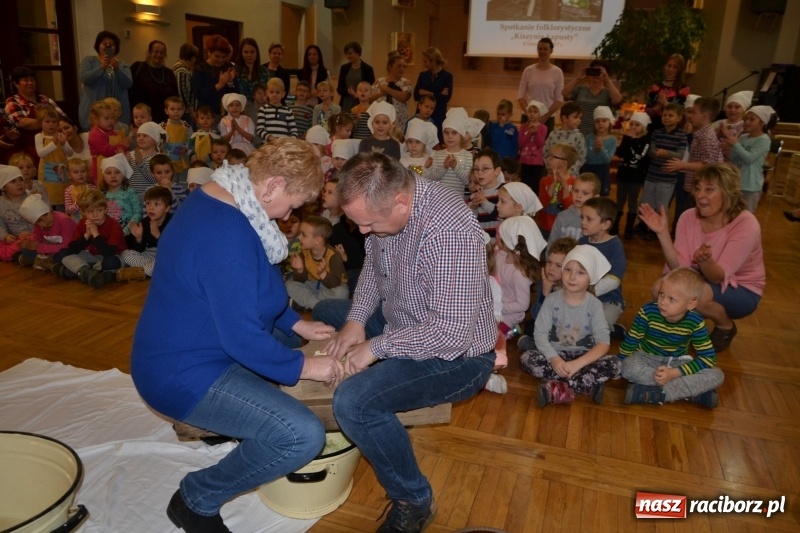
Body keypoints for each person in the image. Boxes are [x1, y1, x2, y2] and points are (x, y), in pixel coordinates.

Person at [130, 139, 341, 533]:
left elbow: (255, 289)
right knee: (301, 436)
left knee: (291, 348)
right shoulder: (228, 235)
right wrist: (309, 366)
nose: (290, 215)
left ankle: (231, 422)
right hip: (182, 372)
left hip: (199, 345)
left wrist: (295, 323)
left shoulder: (226, 196)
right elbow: (243, 338)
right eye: (292, 204)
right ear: (273, 185)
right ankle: (196, 498)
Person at [311, 152, 496, 532]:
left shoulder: (450, 234)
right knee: (330, 311)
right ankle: (382, 373)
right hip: (406, 321)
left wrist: (375, 348)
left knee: (354, 403)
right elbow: (374, 272)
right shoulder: (390, 211)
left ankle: (413, 499)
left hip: (458, 356)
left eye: (369, 224)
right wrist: (356, 321)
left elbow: (448, 334)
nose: (362, 233)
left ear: (400, 202)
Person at [639, 163, 765, 352]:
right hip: (701, 280)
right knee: (660, 289)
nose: (700, 195)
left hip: (742, 288)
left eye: (709, 189)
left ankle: (725, 327)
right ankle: (685, 327)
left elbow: (717, 277)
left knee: (697, 295)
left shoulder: (746, 223)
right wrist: (663, 233)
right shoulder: (688, 217)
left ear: (728, 192)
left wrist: (705, 261)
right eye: (697, 188)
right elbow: (679, 269)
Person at [520, 245, 620, 406]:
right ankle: (587, 385)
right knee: (527, 358)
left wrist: (577, 364)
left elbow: (603, 343)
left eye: (581, 272)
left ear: (591, 278)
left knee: (615, 363)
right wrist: (554, 360)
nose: (572, 277)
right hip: (556, 354)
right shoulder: (552, 299)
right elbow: (540, 334)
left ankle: (558, 388)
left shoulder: (594, 304)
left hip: (583, 358)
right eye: (568, 270)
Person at [619, 267, 724, 408]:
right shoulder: (648, 311)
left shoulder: (695, 322)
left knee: (717, 375)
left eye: (671, 299)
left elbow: (708, 358)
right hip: (645, 358)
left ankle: (654, 394)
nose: (662, 302)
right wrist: (618, 362)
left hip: (676, 363)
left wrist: (674, 373)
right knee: (628, 366)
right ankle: (692, 394)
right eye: (661, 294)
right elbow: (632, 340)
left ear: (690, 304)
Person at [51, 188, 126, 288]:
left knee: (110, 262)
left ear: (106, 209)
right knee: (63, 253)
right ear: (83, 213)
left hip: (113, 256)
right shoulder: (83, 223)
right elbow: (72, 249)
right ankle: (86, 271)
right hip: (92, 256)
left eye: (99, 210)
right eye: (90, 211)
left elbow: (109, 253)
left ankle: (78, 270)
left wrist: (95, 234)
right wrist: (86, 235)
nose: (95, 215)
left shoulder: (113, 225)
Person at [663, 97, 723, 219]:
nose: (690, 115)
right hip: (694, 186)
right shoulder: (700, 134)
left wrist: (683, 165)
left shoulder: (707, 137)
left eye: (694, 112)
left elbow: (708, 165)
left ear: (704, 116)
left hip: (701, 188)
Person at [579, 197, 628, 338]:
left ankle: (612, 329)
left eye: (589, 219)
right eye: (582, 217)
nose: (583, 222)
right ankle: (613, 331)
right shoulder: (581, 242)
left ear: (605, 224)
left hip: (609, 301)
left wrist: (587, 291)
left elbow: (614, 279)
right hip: (582, 298)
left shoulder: (615, 246)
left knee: (599, 326)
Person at [517, 236, 579, 346]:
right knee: (530, 325)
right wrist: (545, 294)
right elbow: (536, 315)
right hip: (549, 329)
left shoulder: (575, 286)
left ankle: (540, 346)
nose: (551, 268)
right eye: (549, 262)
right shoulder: (545, 282)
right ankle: (546, 347)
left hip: (569, 331)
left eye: (558, 265)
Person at [5, 66, 67, 166]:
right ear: (16, 84)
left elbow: (63, 118)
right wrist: (53, 122)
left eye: (32, 79)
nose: (30, 83)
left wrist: (54, 123)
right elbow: (23, 123)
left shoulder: (45, 99)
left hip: (56, 146)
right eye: (25, 80)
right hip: (29, 150)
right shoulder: (12, 101)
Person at [495, 216, 545, 338]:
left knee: (491, 339)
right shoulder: (501, 254)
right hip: (496, 305)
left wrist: (499, 307)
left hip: (510, 314)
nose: (496, 236)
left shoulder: (519, 273)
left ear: (509, 242)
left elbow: (522, 305)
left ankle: (513, 331)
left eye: (500, 235)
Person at [285, 215, 349, 310]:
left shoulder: (333, 256)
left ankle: (309, 303)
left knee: (342, 292)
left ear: (317, 241)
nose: (299, 237)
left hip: (329, 288)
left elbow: (336, 283)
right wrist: (300, 270)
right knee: (289, 285)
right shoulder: (303, 252)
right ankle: (319, 305)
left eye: (303, 235)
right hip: (311, 285)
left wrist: (323, 274)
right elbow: (300, 280)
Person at [78, 31, 133, 131]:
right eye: (104, 44)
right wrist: (102, 67)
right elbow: (84, 78)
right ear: (98, 46)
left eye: (111, 45)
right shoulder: (89, 61)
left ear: (116, 48)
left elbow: (128, 83)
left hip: (117, 114)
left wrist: (117, 70)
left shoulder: (122, 64)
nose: (108, 46)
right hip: (95, 107)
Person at [726, 105, 776, 213]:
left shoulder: (764, 140)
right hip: (736, 183)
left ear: (762, 122)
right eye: (745, 119)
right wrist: (732, 145)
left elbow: (749, 158)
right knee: (731, 213)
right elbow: (733, 158)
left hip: (750, 186)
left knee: (745, 216)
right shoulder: (743, 137)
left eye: (752, 119)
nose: (747, 122)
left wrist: (735, 145)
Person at [119, 185, 172, 280]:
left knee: (168, 260)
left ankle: (140, 271)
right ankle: (146, 270)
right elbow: (139, 250)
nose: (151, 208)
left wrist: (158, 235)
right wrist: (138, 239)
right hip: (149, 256)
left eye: (156, 204)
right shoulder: (144, 222)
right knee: (125, 254)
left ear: (167, 208)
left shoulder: (173, 222)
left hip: (165, 254)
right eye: (148, 204)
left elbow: (173, 248)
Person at [615, 111, 652, 238]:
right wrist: (627, 139)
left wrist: (632, 141)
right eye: (632, 124)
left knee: (632, 202)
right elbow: (620, 153)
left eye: (637, 125)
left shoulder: (646, 141)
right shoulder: (627, 138)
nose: (634, 127)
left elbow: (640, 156)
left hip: (636, 178)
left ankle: (629, 228)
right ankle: (615, 225)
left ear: (644, 127)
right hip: (623, 175)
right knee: (619, 201)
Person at [562, 59, 622, 138]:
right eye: (593, 71)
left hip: (598, 135)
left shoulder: (607, 92)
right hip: (578, 133)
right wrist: (578, 78)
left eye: (599, 72)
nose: (596, 75)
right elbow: (565, 93)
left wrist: (607, 80)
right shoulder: (580, 89)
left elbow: (617, 100)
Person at [16, 193, 76, 269]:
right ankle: (47, 262)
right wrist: (29, 245)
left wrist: (40, 248)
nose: (46, 220)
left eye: (45, 215)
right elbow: (37, 240)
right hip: (51, 249)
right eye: (40, 220)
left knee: (63, 253)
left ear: (50, 211)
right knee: (25, 250)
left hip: (70, 249)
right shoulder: (38, 226)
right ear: (35, 223)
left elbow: (68, 245)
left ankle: (44, 262)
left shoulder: (64, 220)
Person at [517, 38, 563, 133]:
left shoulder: (557, 72)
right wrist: (530, 114)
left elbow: (559, 99)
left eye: (545, 49)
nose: (542, 51)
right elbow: (520, 97)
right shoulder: (528, 70)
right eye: (540, 49)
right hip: (528, 117)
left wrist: (545, 116)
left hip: (547, 118)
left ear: (551, 51)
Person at [130, 41, 179, 124]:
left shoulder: (169, 73)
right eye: (155, 51)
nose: (159, 55)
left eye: (162, 52)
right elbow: (129, 93)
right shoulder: (137, 67)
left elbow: (175, 98)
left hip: (164, 121)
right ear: (149, 53)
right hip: (141, 120)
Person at [424, 109, 472, 195]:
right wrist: (444, 167)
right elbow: (432, 178)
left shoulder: (467, 156)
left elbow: (467, 181)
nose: (449, 136)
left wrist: (455, 166)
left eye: (454, 133)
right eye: (446, 133)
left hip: (456, 200)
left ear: (461, 135)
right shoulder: (437, 154)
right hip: (438, 199)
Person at [35, 106, 73, 210]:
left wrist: (63, 144)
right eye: (47, 121)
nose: (51, 124)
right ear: (40, 123)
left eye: (54, 121)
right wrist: (54, 143)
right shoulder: (39, 136)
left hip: (62, 172)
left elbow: (70, 153)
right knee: (48, 199)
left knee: (63, 199)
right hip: (47, 174)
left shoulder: (61, 135)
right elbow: (41, 153)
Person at [413, 47, 453, 142]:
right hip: (422, 114)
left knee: (436, 141)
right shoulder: (423, 75)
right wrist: (437, 94)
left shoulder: (446, 76)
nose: (424, 64)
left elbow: (445, 98)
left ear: (433, 61)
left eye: (426, 61)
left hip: (438, 115)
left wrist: (427, 92)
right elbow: (416, 95)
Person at [537, 143, 577, 235]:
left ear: (564, 163)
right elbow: (541, 205)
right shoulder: (544, 181)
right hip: (544, 227)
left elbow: (570, 209)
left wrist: (565, 186)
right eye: (549, 155)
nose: (548, 158)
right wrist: (552, 185)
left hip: (563, 230)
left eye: (552, 156)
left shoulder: (574, 183)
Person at [549, 172, 600, 244]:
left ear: (595, 197)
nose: (578, 196)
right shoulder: (562, 217)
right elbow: (552, 244)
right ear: (571, 191)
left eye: (585, 193)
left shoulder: (598, 220)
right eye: (576, 191)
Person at [192, 35, 236, 119]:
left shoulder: (228, 67)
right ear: (209, 52)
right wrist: (218, 86)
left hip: (227, 115)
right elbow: (198, 94)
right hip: (206, 116)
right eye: (217, 56)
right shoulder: (200, 68)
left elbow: (236, 94)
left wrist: (230, 83)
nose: (220, 60)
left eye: (223, 57)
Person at [0, 165, 37, 262]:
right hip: (15, 239)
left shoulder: (31, 197)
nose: (19, 184)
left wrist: (32, 233)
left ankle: (20, 255)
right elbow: (0, 224)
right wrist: (5, 236)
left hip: (34, 235)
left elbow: (43, 219)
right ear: (3, 187)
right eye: (13, 181)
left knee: (30, 242)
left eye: (21, 179)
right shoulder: (1, 203)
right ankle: (22, 256)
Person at [645, 54, 691, 132]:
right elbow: (647, 111)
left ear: (680, 70)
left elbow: (681, 113)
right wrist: (658, 107)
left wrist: (665, 103)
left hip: (672, 129)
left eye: (675, 67)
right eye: (669, 66)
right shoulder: (655, 86)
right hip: (654, 127)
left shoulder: (683, 89)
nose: (670, 69)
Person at [99, 153, 141, 235]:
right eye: (108, 173)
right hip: (106, 233)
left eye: (117, 172)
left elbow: (137, 213)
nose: (113, 176)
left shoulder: (130, 192)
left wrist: (125, 231)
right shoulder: (100, 194)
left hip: (128, 233)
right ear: (103, 176)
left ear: (123, 175)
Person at [371, 52, 412, 132]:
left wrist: (386, 89)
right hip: (381, 123)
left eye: (404, 66)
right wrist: (381, 94)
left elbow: (403, 97)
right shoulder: (379, 82)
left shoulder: (405, 82)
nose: (402, 69)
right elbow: (369, 100)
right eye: (399, 66)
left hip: (399, 124)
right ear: (390, 67)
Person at [543, 101, 586, 177]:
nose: (579, 120)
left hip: (570, 175)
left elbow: (582, 157)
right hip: (553, 174)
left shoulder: (579, 136)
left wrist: (570, 170)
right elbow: (546, 153)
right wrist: (550, 167)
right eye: (575, 117)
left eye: (580, 118)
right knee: (555, 189)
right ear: (564, 118)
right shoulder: (553, 135)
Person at [581, 106, 617, 196]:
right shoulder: (589, 138)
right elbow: (587, 157)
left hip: (602, 171)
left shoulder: (613, 140)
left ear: (609, 122)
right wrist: (594, 149)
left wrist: (601, 149)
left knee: (601, 196)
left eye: (604, 121)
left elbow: (607, 160)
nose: (600, 124)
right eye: (597, 121)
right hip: (588, 169)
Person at [128, 121, 164, 201]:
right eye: (138, 135)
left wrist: (141, 164)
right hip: (131, 197)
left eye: (145, 136)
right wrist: (125, 164)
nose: (140, 138)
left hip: (149, 197)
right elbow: (125, 178)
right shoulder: (131, 154)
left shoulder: (159, 158)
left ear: (155, 140)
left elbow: (156, 180)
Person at [336, 42, 376, 113]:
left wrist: (357, 94)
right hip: (346, 104)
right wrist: (348, 91)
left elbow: (371, 88)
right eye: (347, 54)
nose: (348, 56)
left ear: (358, 53)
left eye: (350, 53)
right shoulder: (344, 68)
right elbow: (339, 89)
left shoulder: (368, 69)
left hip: (362, 104)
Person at [518, 100, 548, 192]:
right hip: (524, 161)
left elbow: (540, 144)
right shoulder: (523, 127)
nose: (532, 114)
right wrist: (529, 134)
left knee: (535, 186)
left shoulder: (543, 128)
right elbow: (521, 143)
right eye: (530, 112)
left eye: (535, 112)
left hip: (536, 163)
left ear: (539, 114)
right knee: (524, 185)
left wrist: (536, 133)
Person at [161, 96, 193, 180]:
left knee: (183, 181)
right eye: (172, 109)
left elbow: (191, 140)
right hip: (167, 160)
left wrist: (186, 149)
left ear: (183, 110)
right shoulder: (162, 126)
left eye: (179, 109)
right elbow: (157, 141)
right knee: (170, 181)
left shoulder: (186, 126)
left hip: (183, 159)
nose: (176, 112)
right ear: (166, 111)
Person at [714, 91, 752, 162]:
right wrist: (717, 133)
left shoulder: (745, 126)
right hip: (715, 158)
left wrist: (731, 147)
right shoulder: (718, 123)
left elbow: (745, 146)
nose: (732, 110)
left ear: (744, 110)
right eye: (729, 107)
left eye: (737, 107)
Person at [234, 38, 270, 106]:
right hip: (240, 110)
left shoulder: (264, 71)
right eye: (246, 52)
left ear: (257, 53)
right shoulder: (235, 71)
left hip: (260, 109)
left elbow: (268, 93)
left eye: (252, 52)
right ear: (241, 53)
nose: (249, 55)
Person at [172, 43, 199, 125]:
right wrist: (191, 111)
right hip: (185, 112)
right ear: (192, 58)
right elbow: (182, 92)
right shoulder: (181, 71)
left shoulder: (180, 69)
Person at [64, 157, 96, 221]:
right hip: (76, 220)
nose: (80, 174)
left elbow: (97, 203)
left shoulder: (93, 188)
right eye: (76, 172)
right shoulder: (68, 190)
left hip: (92, 218)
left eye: (83, 171)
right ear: (69, 175)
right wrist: (77, 204)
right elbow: (68, 210)